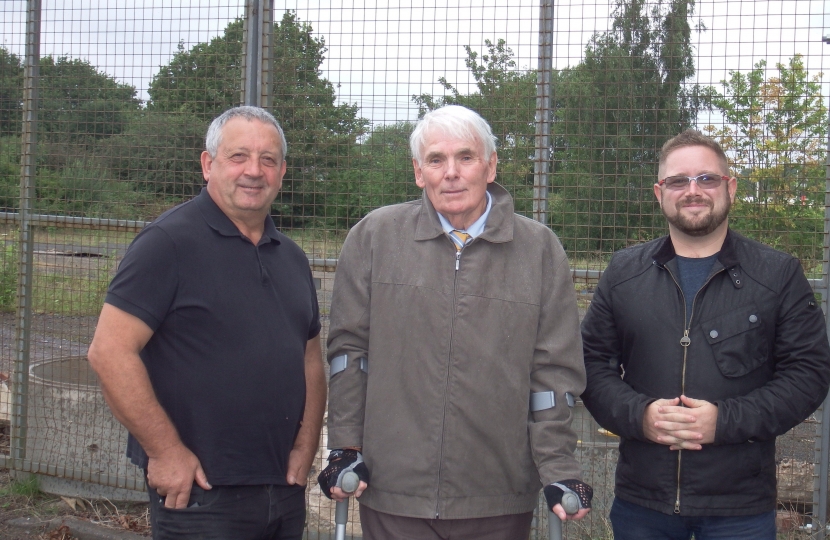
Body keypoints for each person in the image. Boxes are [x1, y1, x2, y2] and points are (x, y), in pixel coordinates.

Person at [318, 104, 592, 540]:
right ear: (417, 171)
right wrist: (346, 446)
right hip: (394, 493)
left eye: (466, 157)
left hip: (496, 495)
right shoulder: (374, 236)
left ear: (491, 165)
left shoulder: (539, 250)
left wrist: (558, 466)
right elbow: (350, 353)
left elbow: (553, 374)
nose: (451, 172)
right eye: (436, 160)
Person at [87, 106, 326, 540]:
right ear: (207, 164)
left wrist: (305, 448)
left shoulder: (291, 257)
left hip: (283, 488)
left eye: (268, 159)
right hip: (200, 493)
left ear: (282, 171)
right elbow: (109, 351)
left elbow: (310, 359)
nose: (254, 171)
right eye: (239, 156)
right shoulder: (168, 243)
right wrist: (165, 453)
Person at [580, 129, 830, 539]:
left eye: (706, 179)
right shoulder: (624, 273)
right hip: (643, 503)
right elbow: (591, 365)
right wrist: (641, 416)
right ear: (659, 193)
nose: (692, 191)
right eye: (678, 181)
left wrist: (723, 422)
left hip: (741, 507)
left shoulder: (777, 274)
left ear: (730, 187)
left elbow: (808, 375)